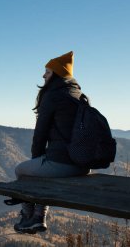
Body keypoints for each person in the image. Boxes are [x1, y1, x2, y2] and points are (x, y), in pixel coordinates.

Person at [14, 51, 91, 234]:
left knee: (21, 170)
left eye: (47, 72)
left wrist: (37, 160)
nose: (43, 75)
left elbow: (40, 135)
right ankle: (35, 218)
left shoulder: (53, 96)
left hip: (63, 164)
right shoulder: (80, 95)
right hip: (84, 165)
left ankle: (32, 217)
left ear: (56, 75)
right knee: (38, 169)